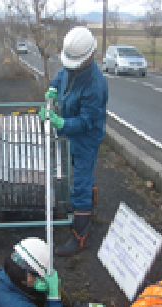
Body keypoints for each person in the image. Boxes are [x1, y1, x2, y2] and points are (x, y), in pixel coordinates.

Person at [39, 26, 108, 256]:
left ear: (90, 56)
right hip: (71, 129)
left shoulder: (95, 85)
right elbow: (62, 77)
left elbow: (87, 121)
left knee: (81, 182)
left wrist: (61, 124)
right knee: (77, 172)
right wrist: (52, 89)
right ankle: (90, 204)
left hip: (86, 137)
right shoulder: (74, 68)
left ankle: (80, 238)